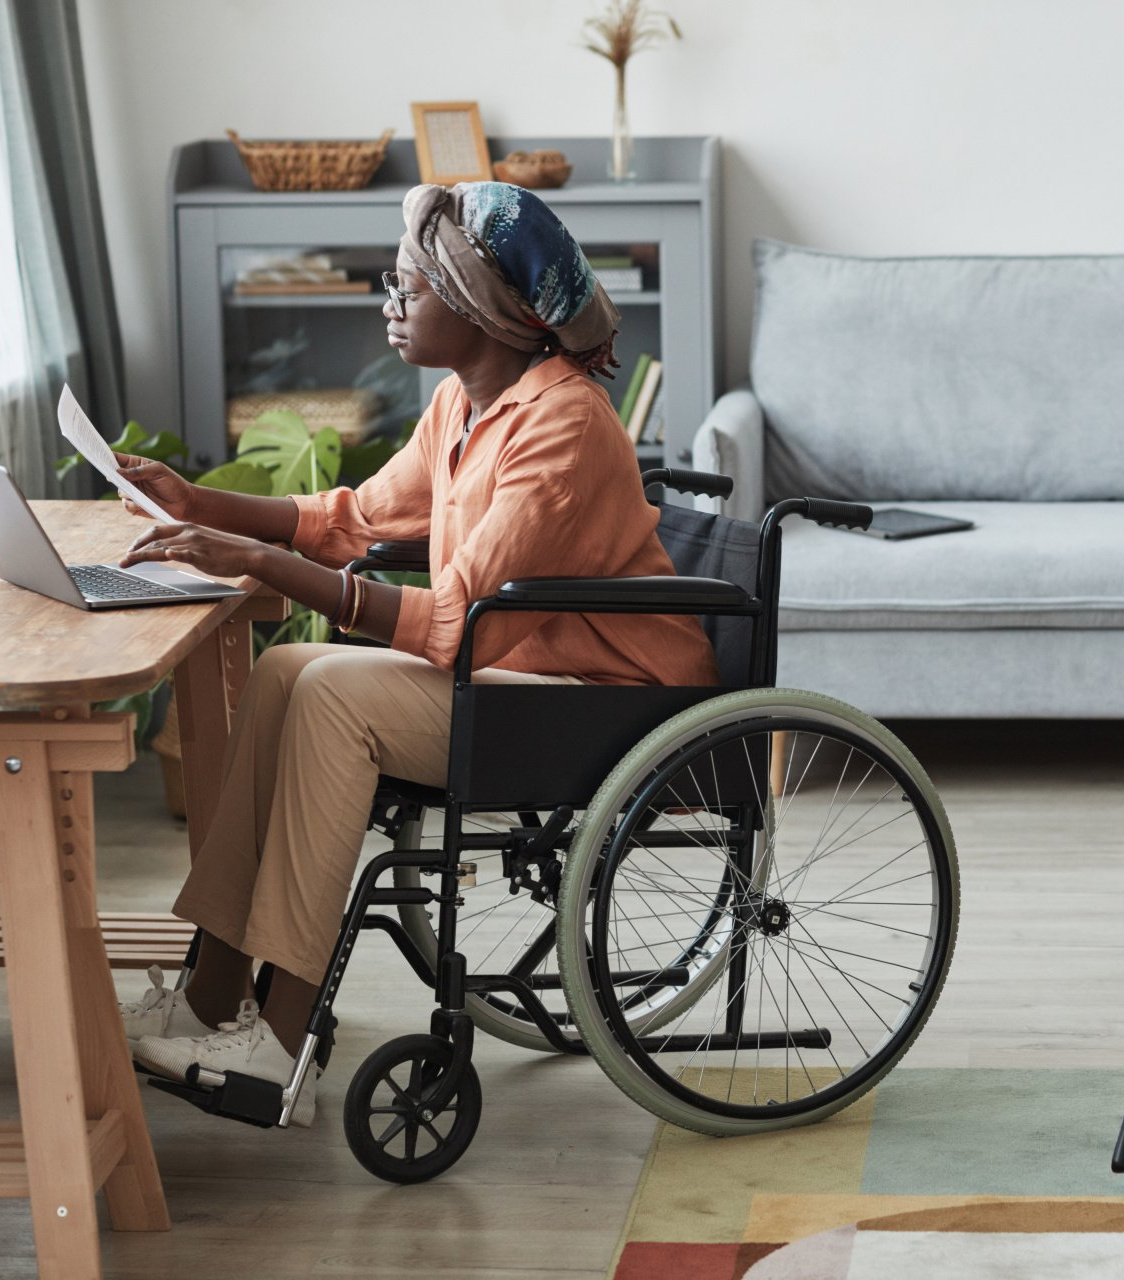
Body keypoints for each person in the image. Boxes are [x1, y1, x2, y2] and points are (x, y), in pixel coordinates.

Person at [108, 182, 719, 1124]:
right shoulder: (462, 404)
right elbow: (352, 521)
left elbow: (449, 621)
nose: (389, 305)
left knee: (330, 700)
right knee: (284, 670)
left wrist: (261, 559)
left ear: (481, 309)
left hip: (599, 700)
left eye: (408, 289)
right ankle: (210, 1001)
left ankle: (279, 1044)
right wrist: (199, 503)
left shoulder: (562, 425)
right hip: (515, 673)